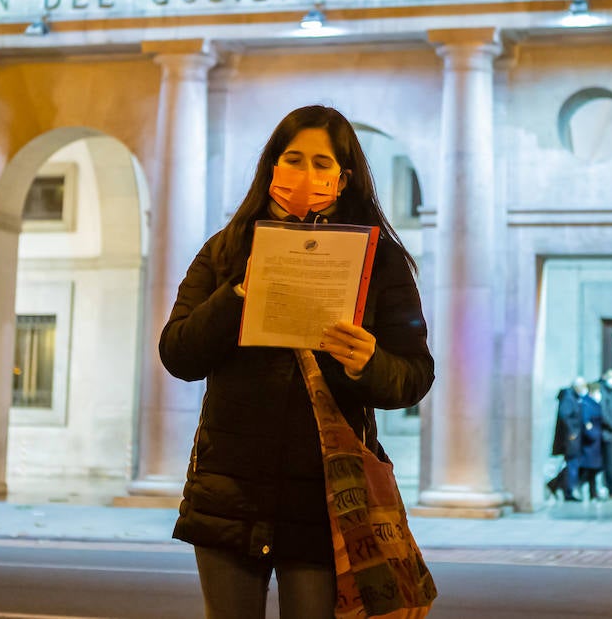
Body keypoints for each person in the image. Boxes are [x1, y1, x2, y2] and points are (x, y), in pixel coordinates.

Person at [159, 105, 434, 618]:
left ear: (343, 178)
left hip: (325, 502)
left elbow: (415, 374)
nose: (305, 174)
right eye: (293, 159)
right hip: (229, 495)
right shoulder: (225, 250)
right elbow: (177, 353)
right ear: (272, 166)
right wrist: (238, 294)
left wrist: (369, 363)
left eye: (321, 163)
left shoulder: (380, 260)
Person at [580, 370, 612, 500]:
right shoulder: (602, 390)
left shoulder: (608, 390)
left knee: (599, 464)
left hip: (605, 433)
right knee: (602, 463)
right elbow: (603, 413)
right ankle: (610, 489)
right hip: (603, 434)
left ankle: (600, 489)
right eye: (611, 377)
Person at [546, 377, 587, 502]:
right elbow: (564, 415)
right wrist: (572, 432)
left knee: (571, 464)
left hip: (574, 437)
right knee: (572, 463)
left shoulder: (574, 397)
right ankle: (569, 490)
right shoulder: (569, 398)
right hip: (571, 438)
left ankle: (555, 485)